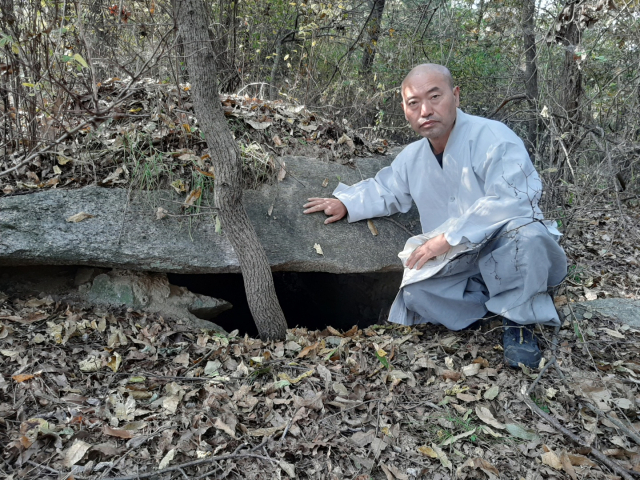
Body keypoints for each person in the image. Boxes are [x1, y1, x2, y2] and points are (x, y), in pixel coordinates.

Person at [303, 64, 567, 368]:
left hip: (501, 245)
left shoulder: (494, 137)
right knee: (416, 291)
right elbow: (386, 189)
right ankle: (487, 312)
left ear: (455, 96)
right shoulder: (413, 157)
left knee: (527, 236)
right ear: (405, 109)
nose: (425, 110)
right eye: (414, 103)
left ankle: (520, 322)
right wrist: (346, 203)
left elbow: (515, 199)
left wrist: (448, 237)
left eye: (435, 97)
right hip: (461, 259)